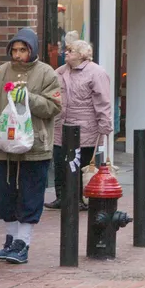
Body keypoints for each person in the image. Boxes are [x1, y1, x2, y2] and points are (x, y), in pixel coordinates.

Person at [0, 28, 63, 265]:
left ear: (32, 50)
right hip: (3, 144)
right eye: (15, 50)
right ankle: (11, 239)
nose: (18, 55)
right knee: (4, 195)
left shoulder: (46, 73)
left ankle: (23, 243)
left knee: (30, 195)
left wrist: (28, 97)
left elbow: (53, 107)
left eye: (23, 50)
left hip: (34, 147)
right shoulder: (0, 73)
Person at [46, 40, 112, 210]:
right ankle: (62, 197)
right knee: (60, 161)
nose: (65, 53)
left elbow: (103, 101)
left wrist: (105, 124)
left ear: (82, 54)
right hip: (62, 125)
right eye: (66, 50)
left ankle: (81, 198)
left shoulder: (96, 73)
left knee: (81, 164)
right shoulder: (59, 72)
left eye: (71, 50)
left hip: (86, 128)